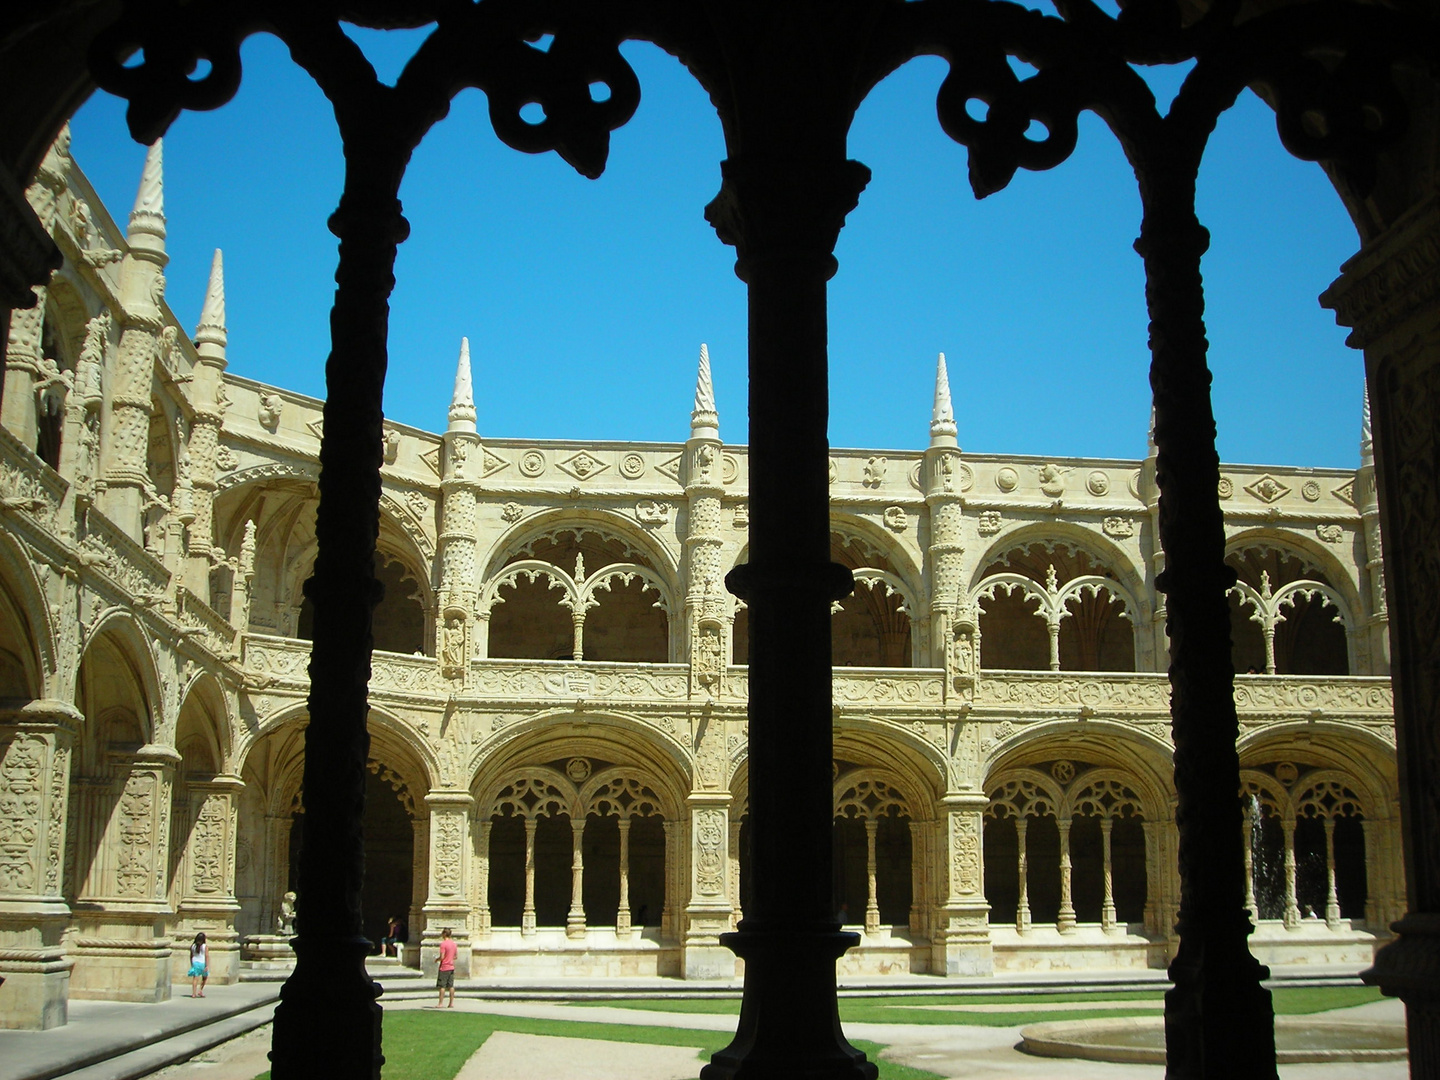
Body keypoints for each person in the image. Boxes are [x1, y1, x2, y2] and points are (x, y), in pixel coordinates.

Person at [436, 927, 457, 1008]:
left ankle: (440, 1003)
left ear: (444, 934)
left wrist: (437, 959)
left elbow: (442, 957)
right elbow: (455, 956)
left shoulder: (443, 944)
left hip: (444, 967)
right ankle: (451, 1003)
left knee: (442, 986)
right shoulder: (454, 944)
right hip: (451, 966)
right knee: (451, 986)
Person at [188, 933, 208, 998]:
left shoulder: (193, 946)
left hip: (195, 963)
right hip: (202, 963)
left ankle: (193, 993)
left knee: (195, 978)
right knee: (204, 977)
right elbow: (206, 956)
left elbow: (191, 956)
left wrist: (191, 963)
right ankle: (200, 990)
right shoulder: (205, 946)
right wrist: (207, 965)